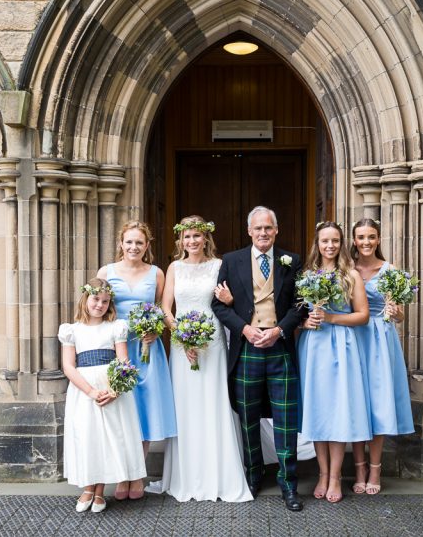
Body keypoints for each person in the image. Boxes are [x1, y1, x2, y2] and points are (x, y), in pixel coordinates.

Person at [211, 206, 306, 512]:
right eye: (258, 229)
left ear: (276, 230)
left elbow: (300, 305)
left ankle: (289, 484)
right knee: (248, 419)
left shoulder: (292, 260)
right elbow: (218, 305)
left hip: (280, 348)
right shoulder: (231, 260)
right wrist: (245, 329)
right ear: (249, 231)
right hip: (248, 348)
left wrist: (280, 330)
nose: (263, 233)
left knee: (286, 420)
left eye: (268, 228)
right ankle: (252, 477)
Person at [157, 215, 253, 502]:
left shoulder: (218, 266)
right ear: (181, 240)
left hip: (212, 342)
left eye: (197, 236)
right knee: (187, 405)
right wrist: (183, 336)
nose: (192, 241)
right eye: (187, 237)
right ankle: (187, 476)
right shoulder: (174, 267)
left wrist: (229, 301)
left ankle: (219, 474)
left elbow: (231, 300)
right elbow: (165, 309)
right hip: (182, 344)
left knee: (213, 402)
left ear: (206, 238)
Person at [97, 220, 176, 500]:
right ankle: (123, 474)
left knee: (144, 408)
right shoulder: (106, 272)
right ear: (121, 243)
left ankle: (138, 473)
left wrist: (154, 330)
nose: (134, 247)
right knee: (122, 409)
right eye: (129, 242)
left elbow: (159, 309)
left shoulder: (157, 273)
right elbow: (100, 310)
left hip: (147, 349)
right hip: (119, 349)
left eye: (139, 243)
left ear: (147, 246)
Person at [297, 221, 372, 503]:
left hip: (341, 346)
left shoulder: (350, 274)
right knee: (318, 410)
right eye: (325, 241)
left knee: (338, 410)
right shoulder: (307, 275)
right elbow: (300, 314)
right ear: (317, 244)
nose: (330, 246)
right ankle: (323, 473)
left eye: (335, 241)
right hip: (313, 346)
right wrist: (307, 321)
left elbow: (362, 315)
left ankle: (337, 476)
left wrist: (331, 318)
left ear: (341, 244)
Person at [59, 278, 146, 514]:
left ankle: (100, 491)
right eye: (96, 299)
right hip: (84, 390)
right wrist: (90, 391)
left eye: (105, 301)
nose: (100, 305)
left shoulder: (115, 327)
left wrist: (114, 390)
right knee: (88, 437)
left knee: (110, 438)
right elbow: (68, 366)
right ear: (85, 299)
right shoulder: (71, 330)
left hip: (110, 389)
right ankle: (88, 487)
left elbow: (123, 361)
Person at [350, 218, 415, 495]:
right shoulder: (347, 270)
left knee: (377, 403)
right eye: (361, 237)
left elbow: (399, 315)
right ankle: (359, 468)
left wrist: (395, 311)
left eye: (371, 237)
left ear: (378, 239)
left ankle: (375, 468)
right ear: (354, 240)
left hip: (380, 339)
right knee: (356, 402)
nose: (366, 242)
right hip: (354, 337)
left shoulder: (390, 270)